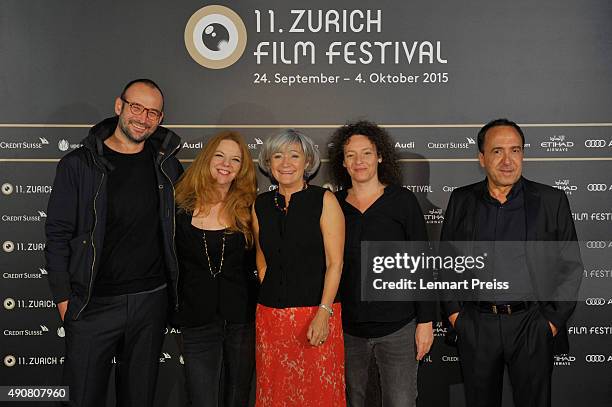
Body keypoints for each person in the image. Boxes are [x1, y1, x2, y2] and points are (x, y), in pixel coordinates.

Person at [44, 79, 183, 407]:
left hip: (150, 302)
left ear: (160, 119)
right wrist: (65, 301)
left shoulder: (167, 165)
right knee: (80, 397)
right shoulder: (79, 165)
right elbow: (57, 236)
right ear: (119, 106)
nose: (143, 117)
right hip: (93, 304)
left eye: (153, 112)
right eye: (136, 107)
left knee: (138, 398)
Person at [441, 118, 582, 407]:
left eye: (515, 150)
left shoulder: (551, 200)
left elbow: (571, 265)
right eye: (497, 151)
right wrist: (458, 318)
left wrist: (551, 323)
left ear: (523, 155)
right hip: (477, 325)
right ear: (481, 158)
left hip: (531, 324)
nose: (508, 160)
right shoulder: (461, 200)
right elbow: (446, 263)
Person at [328, 120, 435, 407]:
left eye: (366, 152)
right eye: (351, 154)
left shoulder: (402, 201)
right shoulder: (333, 204)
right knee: (354, 401)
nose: (359, 161)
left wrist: (425, 321)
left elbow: (422, 263)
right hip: (347, 329)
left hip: (398, 328)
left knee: (400, 402)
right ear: (343, 162)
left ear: (380, 156)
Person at [252, 129, 346, 406]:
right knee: (275, 393)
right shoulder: (260, 205)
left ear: (307, 162)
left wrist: (323, 313)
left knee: (320, 394)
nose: (286, 163)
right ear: (269, 163)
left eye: (294, 155)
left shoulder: (324, 201)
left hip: (316, 316)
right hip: (271, 319)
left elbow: (335, 263)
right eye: (277, 156)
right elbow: (261, 258)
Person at [172, 131, 258, 407]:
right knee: (202, 398)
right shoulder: (179, 207)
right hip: (195, 319)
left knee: (237, 397)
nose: (226, 164)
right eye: (220, 156)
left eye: (235, 159)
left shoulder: (249, 209)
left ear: (241, 168)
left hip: (241, 320)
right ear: (207, 159)